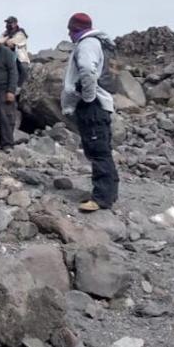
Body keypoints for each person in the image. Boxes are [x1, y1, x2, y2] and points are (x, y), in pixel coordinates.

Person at [60, 12, 120, 212]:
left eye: (70, 30)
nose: (69, 34)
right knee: (101, 148)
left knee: (97, 150)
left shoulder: (87, 44)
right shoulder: (98, 44)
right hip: (99, 105)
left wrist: (87, 97)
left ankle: (101, 197)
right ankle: (110, 192)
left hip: (92, 105)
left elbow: (86, 70)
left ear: (75, 29)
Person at [2, 16, 31, 92]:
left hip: (20, 59)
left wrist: (6, 41)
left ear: (15, 23)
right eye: (7, 23)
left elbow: (11, 42)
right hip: (8, 59)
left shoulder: (21, 33)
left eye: (10, 23)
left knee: (23, 71)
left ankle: (20, 89)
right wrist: (6, 41)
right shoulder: (5, 33)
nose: (8, 24)